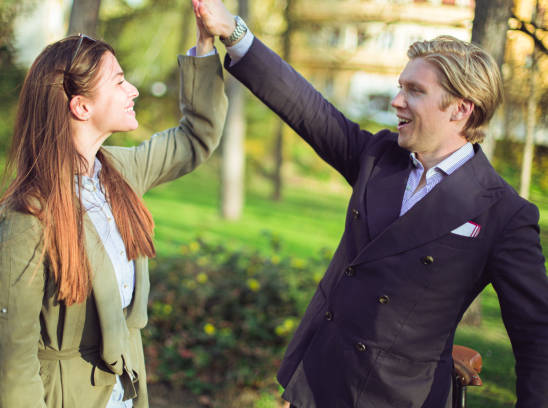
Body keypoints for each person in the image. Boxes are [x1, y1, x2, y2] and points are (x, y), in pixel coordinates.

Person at [193, 1, 548, 407]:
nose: (396, 100)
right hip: (318, 381)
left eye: (414, 91)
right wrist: (234, 33)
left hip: (399, 398)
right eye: (401, 86)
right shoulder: (379, 157)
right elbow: (309, 109)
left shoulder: (503, 213)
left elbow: (537, 335)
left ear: (461, 110)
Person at [0, 17, 227, 408]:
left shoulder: (119, 172)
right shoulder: (23, 222)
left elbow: (197, 135)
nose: (133, 91)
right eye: (118, 81)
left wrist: (205, 47)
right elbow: (13, 368)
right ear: (81, 106)